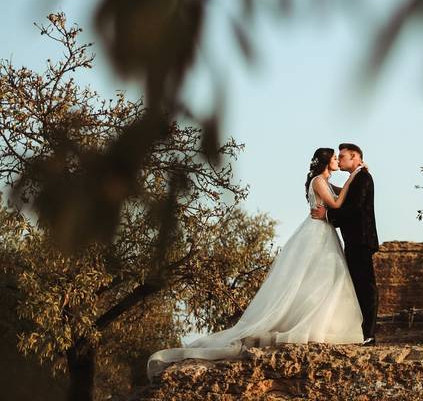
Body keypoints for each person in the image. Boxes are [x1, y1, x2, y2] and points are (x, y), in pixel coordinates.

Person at [146, 147, 365, 379]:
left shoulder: (325, 182)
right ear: (324, 161)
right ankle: (309, 323)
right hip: (317, 231)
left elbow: (345, 195)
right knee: (315, 277)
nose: (336, 161)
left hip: (325, 231)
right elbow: (338, 203)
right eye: (333, 158)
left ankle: (325, 321)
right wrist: (355, 175)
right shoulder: (318, 181)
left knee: (325, 278)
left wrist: (356, 177)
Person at [311, 143, 380, 345]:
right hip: (354, 240)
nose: (339, 160)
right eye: (337, 157)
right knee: (356, 285)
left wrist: (328, 215)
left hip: (361, 240)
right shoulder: (356, 177)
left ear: (355, 157)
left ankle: (369, 333)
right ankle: (362, 332)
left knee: (366, 286)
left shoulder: (363, 178)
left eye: (342, 156)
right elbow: (344, 199)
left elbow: (354, 208)